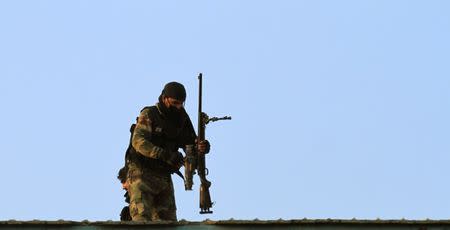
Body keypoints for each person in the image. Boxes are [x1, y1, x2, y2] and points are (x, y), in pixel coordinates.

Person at [126, 81, 210, 221]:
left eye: (182, 103)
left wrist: (201, 148)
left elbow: (191, 145)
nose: (179, 107)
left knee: (169, 223)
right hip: (142, 173)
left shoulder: (181, 118)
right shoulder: (150, 114)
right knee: (141, 221)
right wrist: (163, 154)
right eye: (175, 103)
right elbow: (138, 142)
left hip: (164, 176)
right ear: (165, 98)